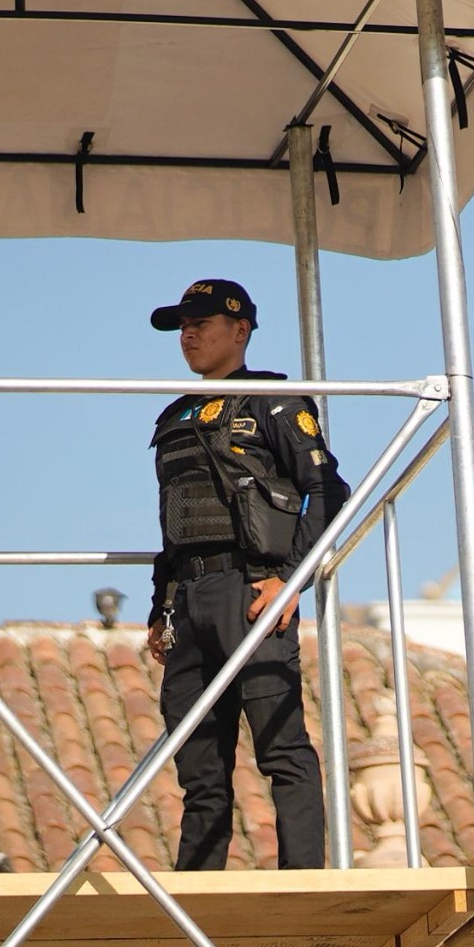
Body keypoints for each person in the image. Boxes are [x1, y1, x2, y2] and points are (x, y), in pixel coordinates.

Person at [145, 278, 349, 870]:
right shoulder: (174, 415)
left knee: (281, 746)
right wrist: (160, 607)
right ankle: (196, 892)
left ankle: (303, 883)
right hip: (188, 602)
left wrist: (290, 579)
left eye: (200, 324)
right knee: (199, 769)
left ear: (240, 330)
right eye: (182, 327)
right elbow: (174, 522)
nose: (188, 336)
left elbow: (327, 490)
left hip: (251, 592)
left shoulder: (273, 402)